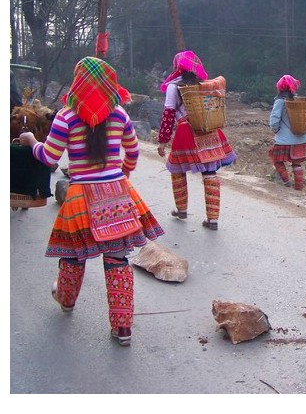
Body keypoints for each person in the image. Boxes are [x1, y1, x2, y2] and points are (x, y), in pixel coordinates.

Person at [18, 56, 165, 347]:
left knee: (74, 255)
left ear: (78, 83)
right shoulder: (120, 114)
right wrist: (121, 174)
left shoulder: (66, 116)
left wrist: (31, 142)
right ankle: (123, 329)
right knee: (117, 259)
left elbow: (49, 158)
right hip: (117, 195)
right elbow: (133, 151)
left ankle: (67, 301)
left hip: (80, 197)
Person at [157, 50, 237, 230]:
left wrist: (163, 140)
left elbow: (169, 115)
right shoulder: (203, 85)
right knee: (210, 173)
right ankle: (213, 219)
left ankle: (182, 209)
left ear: (177, 67)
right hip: (207, 130)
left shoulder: (173, 87)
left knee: (177, 170)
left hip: (185, 132)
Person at [268, 74, 306, 190]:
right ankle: (299, 189)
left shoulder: (280, 101)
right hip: (302, 138)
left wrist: (276, 130)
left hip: (284, 140)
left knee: (276, 160)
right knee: (297, 163)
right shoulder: (298, 100)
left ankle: (287, 183)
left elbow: (274, 120)